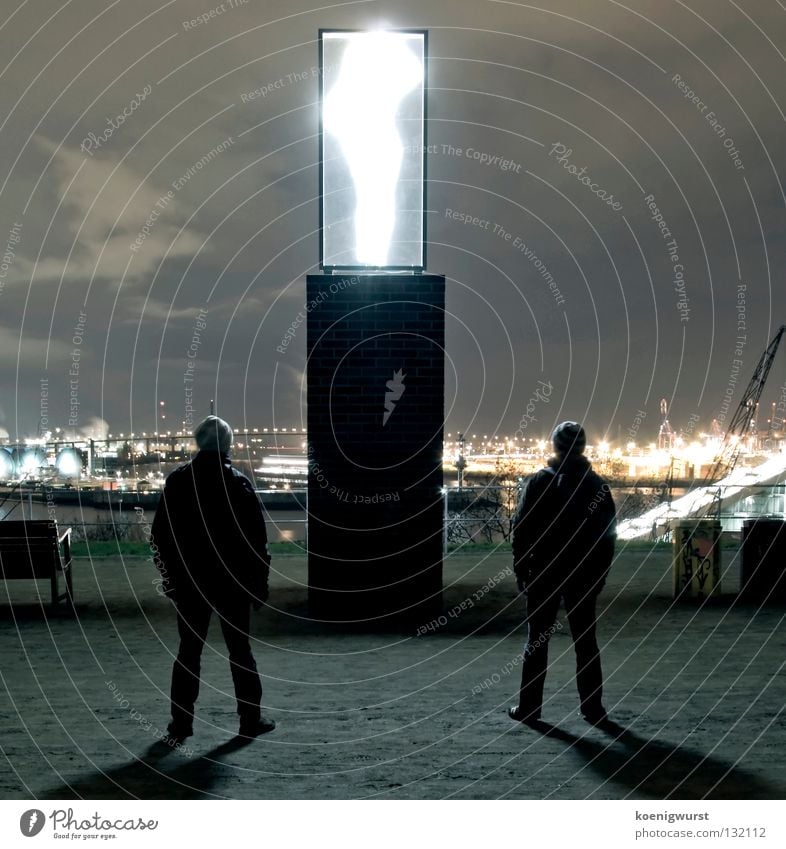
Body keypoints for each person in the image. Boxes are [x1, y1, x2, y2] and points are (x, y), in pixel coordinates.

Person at [151, 415, 274, 741]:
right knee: (240, 650)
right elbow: (256, 542)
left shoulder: (177, 482)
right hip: (231, 582)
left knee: (189, 651)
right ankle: (250, 720)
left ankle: (180, 724)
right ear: (227, 445)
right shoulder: (238, 484)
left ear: (198, 443)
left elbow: (160, 537)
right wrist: (258, 584)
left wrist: (170, 578)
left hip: (191, 582)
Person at [509, 421, 616, 726]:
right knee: (586, 642)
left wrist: (522, 568)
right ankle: (593, 709)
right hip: (583, 576)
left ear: (554, 446)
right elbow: (608, 536)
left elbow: (522, 529)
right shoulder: (597, 486)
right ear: (583, 449)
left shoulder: (540, 482)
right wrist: (600, 575)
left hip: (543, 573)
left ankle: (529, 708)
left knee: (536, 642)